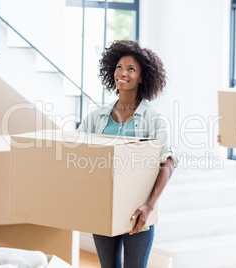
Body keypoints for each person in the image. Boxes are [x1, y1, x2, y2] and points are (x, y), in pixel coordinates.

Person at [77, 40, 178, 268]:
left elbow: (167, 163)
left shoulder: (154, 117)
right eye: (119, 67)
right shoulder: (97, 116)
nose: (123, 73)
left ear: (142, 77)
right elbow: (78, 149)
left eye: (131, 69)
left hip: (138, 211)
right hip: (103, 208)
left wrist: (149, 206)